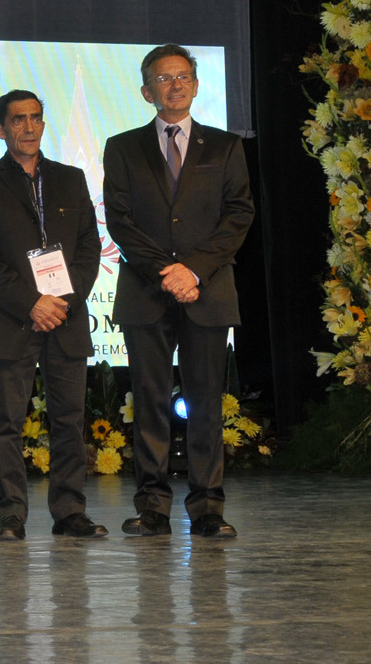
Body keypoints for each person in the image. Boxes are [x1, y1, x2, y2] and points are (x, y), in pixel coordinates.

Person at [102, 44, 254, 538]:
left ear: (196, 84)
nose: (175, 85)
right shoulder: (123, 147)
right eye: (164, 78)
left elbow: (239, 214)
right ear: (147, 91)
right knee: (149, 402)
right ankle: (152, 507)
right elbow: (120, 220)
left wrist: (194, 271)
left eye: (183, 76)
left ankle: (208, 507)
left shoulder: (225, 146)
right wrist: (165, 272)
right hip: (146, 292)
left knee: (206, 402)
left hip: (207, 292)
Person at [0, 90, 106, 542]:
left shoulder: (71, 178)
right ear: (0, 129)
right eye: (18, 119)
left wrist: (63, 302)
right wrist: (31, 303)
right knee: (7, 424)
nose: (29, 127)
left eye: (36, 118)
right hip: (13, 320)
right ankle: (11, 516)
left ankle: (70, 512)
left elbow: (90, 248)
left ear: (44, 124)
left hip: (66, 318)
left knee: (69, 421)